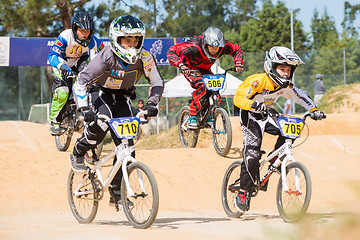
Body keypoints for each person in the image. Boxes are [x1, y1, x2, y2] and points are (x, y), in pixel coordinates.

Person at [70, 15, 163, 207]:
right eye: (127, 40)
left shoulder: (145, 57)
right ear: (116, 39)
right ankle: (78, 151)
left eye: (135, 40)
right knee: (102, 122)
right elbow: (81, 82)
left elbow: (157, 82)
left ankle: (116, 193)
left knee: (128, 147)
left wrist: (152, 103)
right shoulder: (106, 56)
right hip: (100, 93)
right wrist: (84, 107)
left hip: (123, 97)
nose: (132, 44)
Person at [233, 46, 325, 213]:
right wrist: (253, 104)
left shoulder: (286, 86)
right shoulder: (258, 81)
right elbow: (238, 98)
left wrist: (314, 110)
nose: (286, 73)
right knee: (252, 154)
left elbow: (301, 96)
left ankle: (273, 160)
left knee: (292, 130)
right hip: (251, 117)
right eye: (282, 69)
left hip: (267, 114)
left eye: (288, 70)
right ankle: (243, 192)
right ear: (271, 66)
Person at [167, 26, 244, 129]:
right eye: (211, 47)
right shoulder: (194, 46)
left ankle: (207, 114)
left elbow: (237, 49)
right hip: (190, 68)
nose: (214, 50)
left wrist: (238, 62)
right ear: (205, 44)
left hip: (205, 69)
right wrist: (181, 65)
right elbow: (172, 51)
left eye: (217, 48)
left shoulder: (224, 46)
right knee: (202, 87)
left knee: (215, 90)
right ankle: (192, 116)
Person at [48, 12, 102, 135]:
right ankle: (55, 121)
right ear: (74, 29)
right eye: (81, 30)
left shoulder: (92, 40)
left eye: (88, 31)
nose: (85, 34)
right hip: (62, 61)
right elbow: (52, 56)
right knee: (63, 92)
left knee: (91, 82)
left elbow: (105, 53)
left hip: (79, 61)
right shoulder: (65, 37)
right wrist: (62, 66)